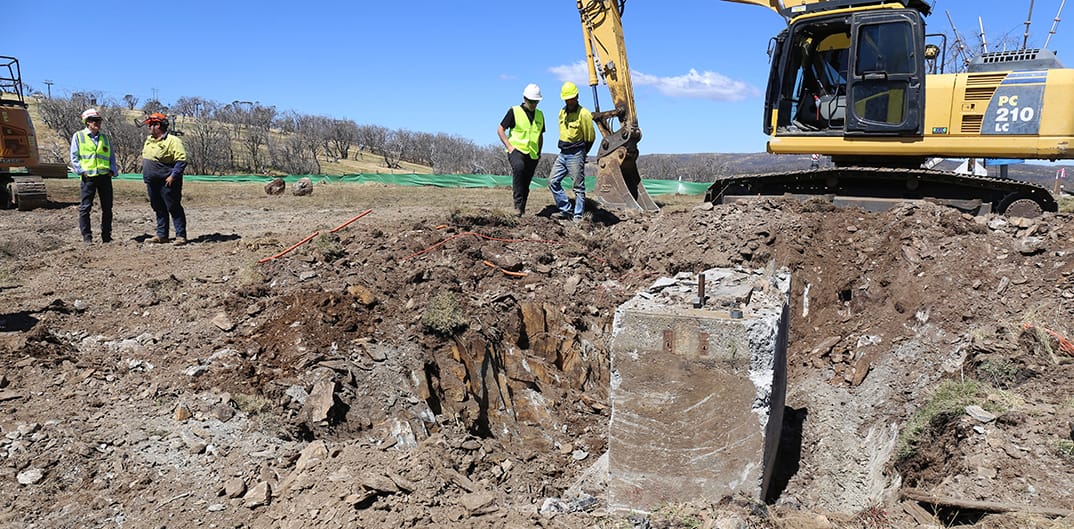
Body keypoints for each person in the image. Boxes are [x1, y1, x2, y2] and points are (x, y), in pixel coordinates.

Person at [547, 82, 595, 221]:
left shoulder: (584, 114)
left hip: (576, 153)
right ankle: (566, 210)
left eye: (572, 98)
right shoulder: (562, 112)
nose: (569, 101)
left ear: (577, 97)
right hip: (563, 153)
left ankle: (578, 216)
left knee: (578, 187)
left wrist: (583, 153)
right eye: (567, 99)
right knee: (552, 181)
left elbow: (590, 136)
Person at [497, 83, 545, 216]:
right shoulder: (514, 111)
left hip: (533, 153)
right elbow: (500, 129)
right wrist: (509, 146)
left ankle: (522, 209)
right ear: (525, 99)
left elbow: (540, 135)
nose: (533, 104)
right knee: (518, 168)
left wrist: (539, 152)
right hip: (516, 149)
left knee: (526, 181)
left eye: (536, 102)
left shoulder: (540, 115)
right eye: (531, 101)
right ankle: (517, 206)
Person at [141, 113, 189, 244]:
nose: (150, 127)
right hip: (152, 181)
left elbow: (181, 160)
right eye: (150, 125)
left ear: (160, 126)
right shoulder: (149, 140)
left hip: (167, 181)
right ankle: (162, 235)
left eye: (153, 124)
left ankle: (180, 235)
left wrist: (173, 176)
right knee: (158, 207)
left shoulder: (173, 141)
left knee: (173, 207)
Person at [70, 108, 118, 243]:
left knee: (107, 208)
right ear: (87, 122)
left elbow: (111, 157)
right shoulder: (78, 136)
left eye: (98, 120)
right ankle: (87, 237)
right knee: (85, 207)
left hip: (104, 177)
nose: (97, 123)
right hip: (88, 178)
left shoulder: (105, 138)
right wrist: (81, 171)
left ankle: (106, 237)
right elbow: (74, 156)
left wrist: (112, 171)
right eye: (94, 121)